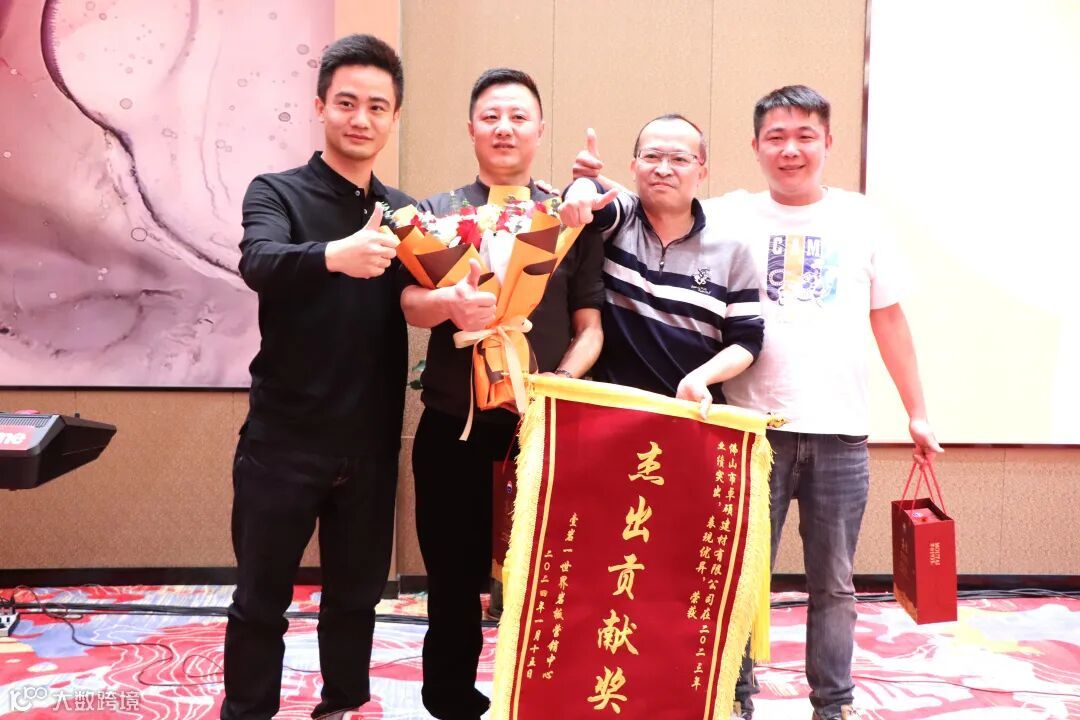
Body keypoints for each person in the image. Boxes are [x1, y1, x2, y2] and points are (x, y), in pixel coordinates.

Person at [399, 68, 606, 720]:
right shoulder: (434, 213)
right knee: (453, 578)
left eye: (518, 117)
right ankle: (451, 699)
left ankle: (543, 697)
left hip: (543, 425)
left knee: (551, 574)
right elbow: (409, 304)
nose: (504, 128)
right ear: (471, 129)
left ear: (540, 130)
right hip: (453, 420)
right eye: (491, 116)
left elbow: (591, 327)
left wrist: (561, 383)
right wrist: (448, 304)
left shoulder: (569, 215)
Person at [223, 34, 413, 720]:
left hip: (370, 442)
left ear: (394, 117)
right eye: (347, 103)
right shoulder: (275, 191)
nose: (361, 118)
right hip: (284, 439)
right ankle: (247, 711)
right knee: (260, 599)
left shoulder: (404, 212)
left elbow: (424, 295)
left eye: (377, 107)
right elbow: (259, 262)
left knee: (356, 599)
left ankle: (342, 705)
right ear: (320, 106)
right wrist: (336, 254)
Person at [560, 114, 764, 415]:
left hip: (691, 416)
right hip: (610, 416)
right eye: (652, 156)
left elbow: (747, 341)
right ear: (634, 167)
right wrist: (580, 188)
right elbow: (592, 201)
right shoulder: (622, 219)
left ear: (701, 172)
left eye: (680, 159)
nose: (663, 169)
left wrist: (700, 378)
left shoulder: (732, 248)